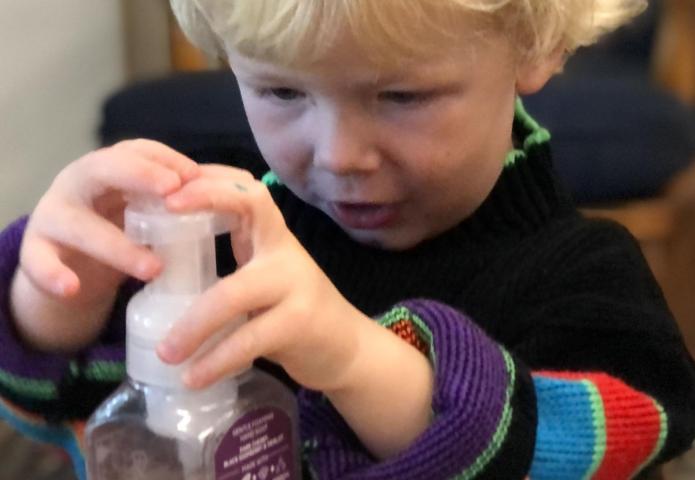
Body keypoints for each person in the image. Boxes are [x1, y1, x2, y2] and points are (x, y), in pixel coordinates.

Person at [1, 0, 694, 478]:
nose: (337, 156)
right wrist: (61, 293)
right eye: (279, 92)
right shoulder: (223, 231)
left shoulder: (586, 278)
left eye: (401, 98)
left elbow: (623, 438)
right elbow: (77, 422)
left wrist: (352, 358)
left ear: (537, 47)